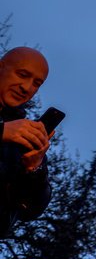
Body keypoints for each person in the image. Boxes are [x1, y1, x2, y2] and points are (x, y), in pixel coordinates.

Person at [0, 46, 52, 237]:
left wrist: (34, 169)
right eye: (22, 75)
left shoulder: (22, 134)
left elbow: (31, 211)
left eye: (36, 83)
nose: (27, 87)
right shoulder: (11, 130)